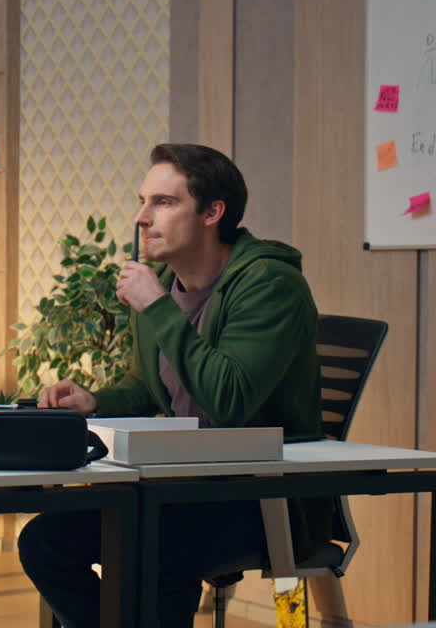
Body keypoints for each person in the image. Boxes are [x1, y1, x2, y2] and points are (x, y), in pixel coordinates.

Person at [18, 143, 330, 627]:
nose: (142, 217)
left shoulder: (270, 284)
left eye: (163, 202)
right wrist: (95, 400)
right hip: (181, 483)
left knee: (157, 546)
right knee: (45, 541)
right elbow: (149, 389)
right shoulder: (164, 283)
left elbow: (229, 401)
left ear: (212, 212)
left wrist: (159, 307)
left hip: (265, 499)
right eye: (143, 201)